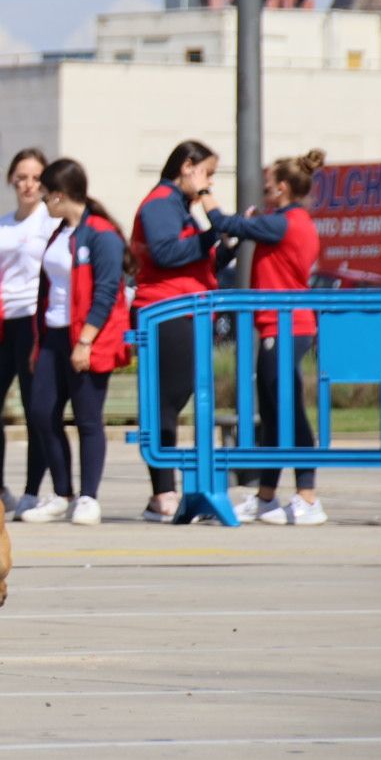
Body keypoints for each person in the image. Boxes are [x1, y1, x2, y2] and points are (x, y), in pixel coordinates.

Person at [201, 151, 328, 526]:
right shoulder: (285, 221)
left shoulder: (285, 222)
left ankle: (308, 496)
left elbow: (226, 222)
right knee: (272, 414)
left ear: (283, 188)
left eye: (269, 182)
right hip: (276, 326)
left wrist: (204, 191)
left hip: (288, 326)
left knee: (291, 412)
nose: (264, 187)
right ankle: (267, 496)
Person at [18, 159, 132, 526]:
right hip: (53, 335)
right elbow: (49, 289)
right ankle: (63, 492)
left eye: (48, 195)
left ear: (61, 195)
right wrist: (40, 343)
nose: (44, 203)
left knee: (87, 420)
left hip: (86, 337)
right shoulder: (60, 233)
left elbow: (105, 292)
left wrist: (85, 341)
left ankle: (89, 497)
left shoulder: (101, 235)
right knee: (41, 412)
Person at [131, 140, 221, 523]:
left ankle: (165, 490)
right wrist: (210, 236)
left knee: (174, 398)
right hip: (164, 310)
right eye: (208, 173)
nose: (209, 183)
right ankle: (163, 491)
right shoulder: (160, 204)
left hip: (184, 310)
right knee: (166, 400)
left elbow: (193, 255)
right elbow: (167, 253)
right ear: (187, 166)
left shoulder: (178, 206)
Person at [0, 148, 52, 519]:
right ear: (11, 180)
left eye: (35, 177)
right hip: (1, 320)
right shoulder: (0, 226)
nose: (28, 184)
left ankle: (33, 492)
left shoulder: (48, 222)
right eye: (21, 177)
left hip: (34, 318)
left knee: (35, 408)